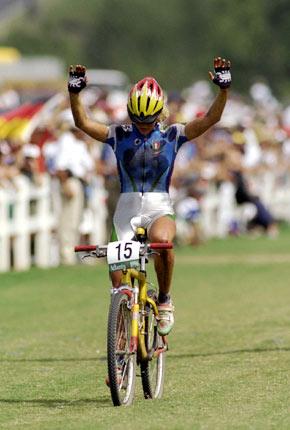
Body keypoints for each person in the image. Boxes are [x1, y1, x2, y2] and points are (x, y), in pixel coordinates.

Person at [68, 57, 231, 336]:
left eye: (149, 121)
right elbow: (82, 122)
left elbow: (212, 118)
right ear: (130, 114)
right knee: (118, 287)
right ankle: (119, 357)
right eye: (138, 121)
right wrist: (74, 93)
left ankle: (165, 299)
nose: (143, 126)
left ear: (160, 115)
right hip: (126, 210)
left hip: (159, 206)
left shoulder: (173, 135)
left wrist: (223, 90)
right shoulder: (118, 134)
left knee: (163, 242)